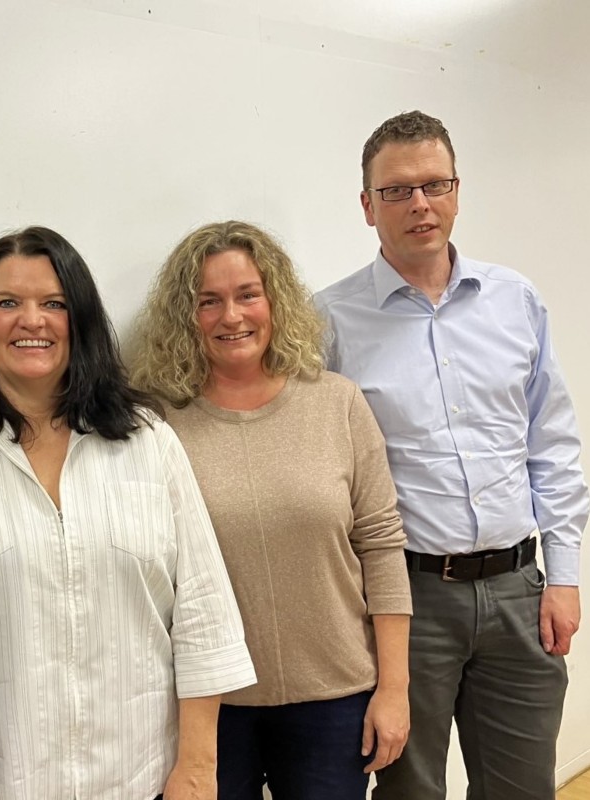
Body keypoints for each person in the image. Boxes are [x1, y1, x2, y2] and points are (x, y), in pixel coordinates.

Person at [0, 226, 255, 800]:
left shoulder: (148, 442)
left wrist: (197, 768)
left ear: (81, 319)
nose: (32, 320)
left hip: (139, 779)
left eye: (54, 303)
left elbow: (203, 612)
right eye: (8, 303)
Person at [315, 110, 589, 800]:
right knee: (409, 791)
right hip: (407, 604)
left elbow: (552, 444)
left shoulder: (514, 300)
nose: (419, 204)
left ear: (456, 191)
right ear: (366, 206)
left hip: (519, 592)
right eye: (397, 190)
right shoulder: (330, 322)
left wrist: (562, 576)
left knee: (522, 789)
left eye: (434, 184)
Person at [131, 220, 412, 800]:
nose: (231, 316)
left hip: (333, 698)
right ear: (185, 316)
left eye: (247, 295)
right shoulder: (155, 422)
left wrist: (394, 689)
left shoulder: (337, 402)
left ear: (275, 300)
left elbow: (382, 547)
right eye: (208, 301)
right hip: (208, 706)